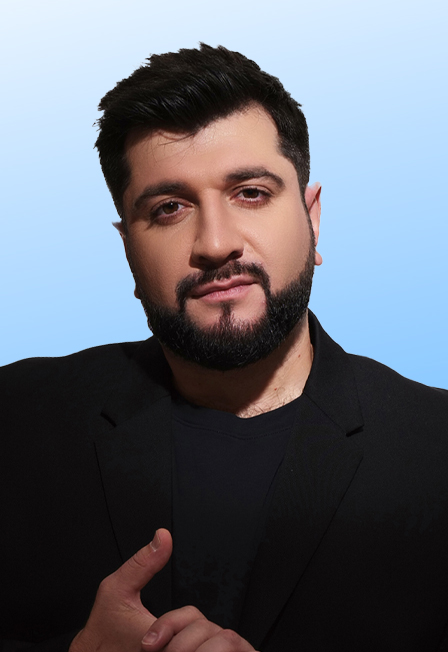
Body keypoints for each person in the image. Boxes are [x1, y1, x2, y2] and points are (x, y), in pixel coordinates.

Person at [1, 43, 448, 652]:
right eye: (169, 208)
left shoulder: (435, 449)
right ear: (128, 249)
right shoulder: (15, 418)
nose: (214, 243)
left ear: (313, 219)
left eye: (251, 193)